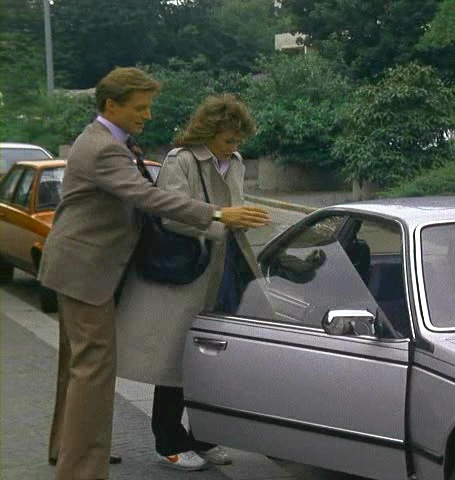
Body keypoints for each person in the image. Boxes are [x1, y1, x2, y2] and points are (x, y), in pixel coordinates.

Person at [39, 68, 269, 480]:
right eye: (140, 108)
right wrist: (218, 214)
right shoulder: (104, 148)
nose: (147, 115)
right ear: (112, 105)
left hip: (83, 267)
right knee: (94, 371)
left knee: (76, 368)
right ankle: (82, 469)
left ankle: (67, 448)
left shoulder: (111, 142)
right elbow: (147, 197)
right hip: (86, 272)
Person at [114, 94, 270, 471]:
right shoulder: (181, 159)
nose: (233, 146)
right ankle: (168, 441)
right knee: (174, 359)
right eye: (228, 139)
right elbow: (169, 215)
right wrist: (222, 219)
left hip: (224, 268)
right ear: (209, 132)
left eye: (238, 140)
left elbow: (236, 210)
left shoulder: (235, 162)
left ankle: (203, 437)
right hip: (187, 271)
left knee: (211, 358)